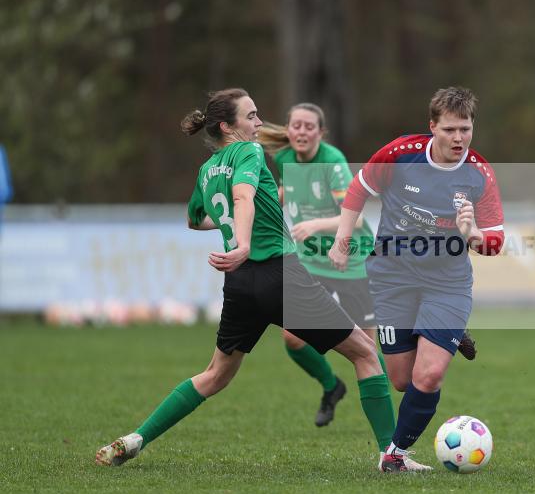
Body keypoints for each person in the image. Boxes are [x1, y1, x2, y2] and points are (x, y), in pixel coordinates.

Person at [95, 88, 395, 466]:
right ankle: (393, 455)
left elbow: (194, 219)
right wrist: (243, 243)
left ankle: (136, 438)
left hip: (239, 284)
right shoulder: (249, 152)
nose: (258, 122)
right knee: (366, 353)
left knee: (215, 375)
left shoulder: (207, 170)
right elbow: (242, 198)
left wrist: (231, 235)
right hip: (278, 273)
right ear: (228, 125)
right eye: (251, 115)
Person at [329, 86, 505, 472]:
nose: (459, 138)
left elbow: (495, 241)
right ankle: (445, 335)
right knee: (403, 380)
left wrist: (473, 234)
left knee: (430, 374)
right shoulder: (399, 155)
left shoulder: (478, 175)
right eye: (450, 130)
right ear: (433, 128)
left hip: (448, 283)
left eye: (466, 129)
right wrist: (342, 242)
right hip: (392, 277)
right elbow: (358, 190)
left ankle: (394, 456)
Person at [256, 103, 377, 428]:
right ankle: (331, 386)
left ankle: (385, 426)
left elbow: (357, 214)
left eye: (310, 127)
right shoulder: (283, 158)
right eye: (296, 125)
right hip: (311, 262)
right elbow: (291, 190)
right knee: (293, 338)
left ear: (321, 133)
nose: (302, 132)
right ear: (288, 129)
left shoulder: (332, 160)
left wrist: (315, 226)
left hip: (352, 261)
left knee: (370, 350)